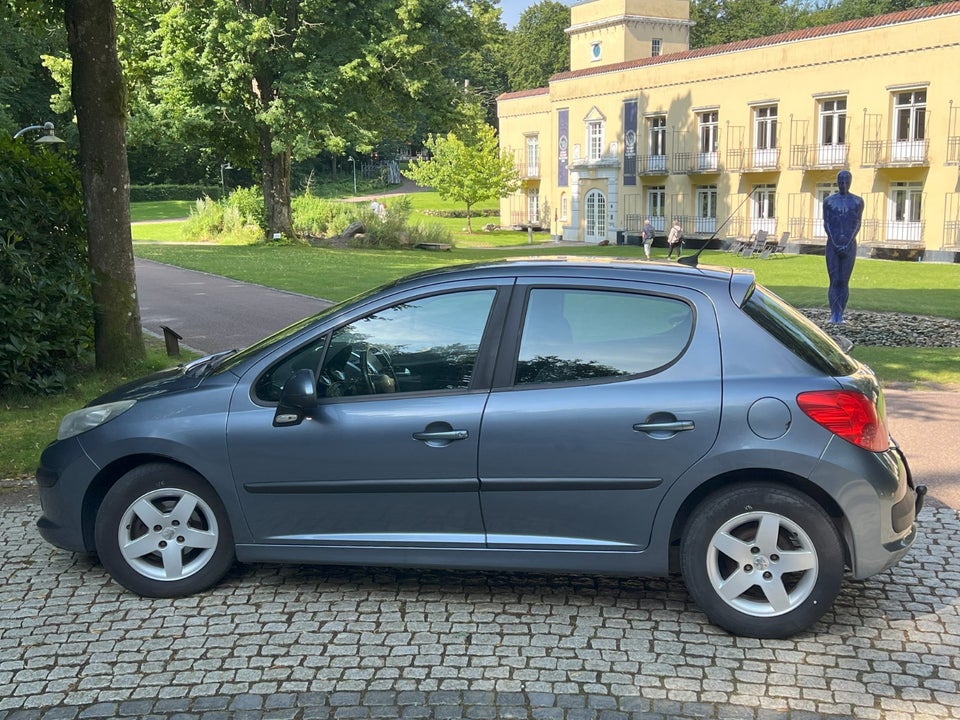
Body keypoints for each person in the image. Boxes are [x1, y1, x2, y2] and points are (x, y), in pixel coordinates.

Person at [822, 170, 864, 324]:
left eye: (846, 181)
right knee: (834, 280)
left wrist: (847, 243)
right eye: (841, 181)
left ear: (851, 182)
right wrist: (834, 242)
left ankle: (841, 314)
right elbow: (826, 223)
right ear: (837, 182)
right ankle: (834, 314)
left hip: (849, 245)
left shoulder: (857, 201)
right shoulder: (829, 201)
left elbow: (857, 224)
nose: (844, 184)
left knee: (844, 281)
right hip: (832, 245)